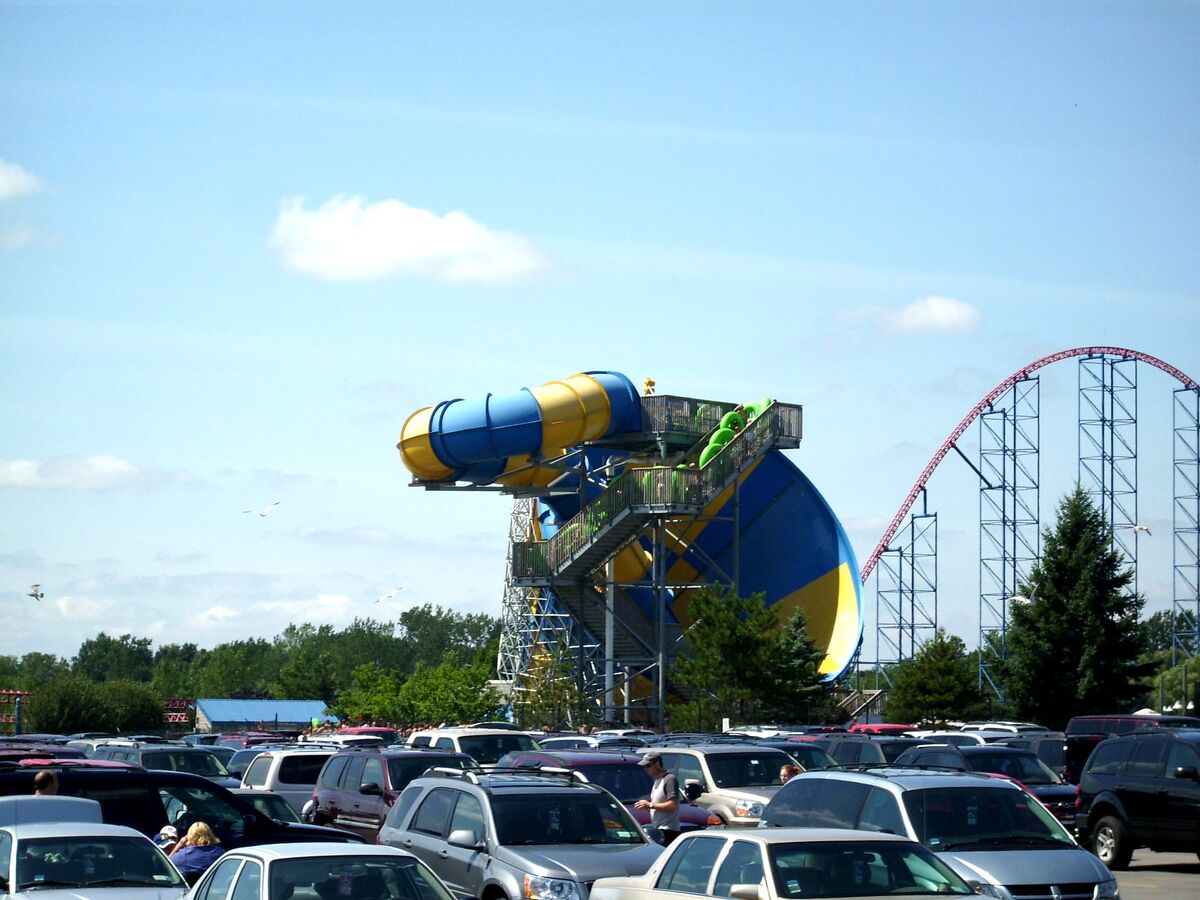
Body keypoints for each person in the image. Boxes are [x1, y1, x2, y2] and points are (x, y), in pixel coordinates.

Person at [634, 751, 680, 845]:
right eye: (644, 766)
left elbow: (673, 805)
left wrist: (650, 805)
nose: (645, 769)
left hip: (668, 831)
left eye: (648, 766)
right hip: (657, 829)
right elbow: (657, 806)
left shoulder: (669, 779)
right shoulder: (657, 781)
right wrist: (647, 807)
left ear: (657, 764)